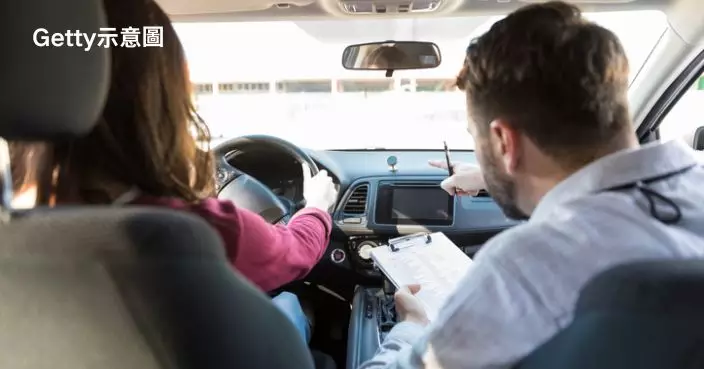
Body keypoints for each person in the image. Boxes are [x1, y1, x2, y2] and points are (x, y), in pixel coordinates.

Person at [360, 2, 704, 368]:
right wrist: (491, 176)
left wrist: (411, 327)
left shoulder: (523, 269)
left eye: (476, 140)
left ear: (505, 142)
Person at [8, 0, 337, 344]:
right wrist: (316, 207)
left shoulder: (14, 224)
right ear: (163, 96)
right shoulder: (203, 232)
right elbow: (296, 251)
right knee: (291, 305)